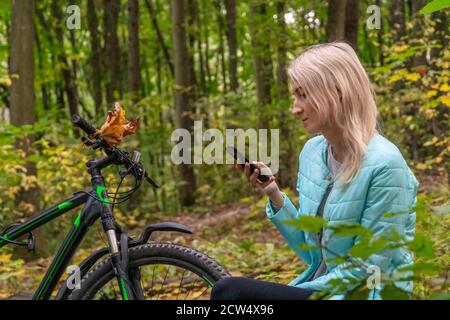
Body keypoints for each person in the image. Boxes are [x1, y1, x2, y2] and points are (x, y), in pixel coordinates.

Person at [211, 41, 419, 300]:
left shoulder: (386, 165)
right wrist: (274, 193)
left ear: (338, 92)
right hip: (325, 289)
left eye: (303, 95)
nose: (295, 108)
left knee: (230, 292)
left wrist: (289, 293)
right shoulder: (312, 153)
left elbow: (367, 268)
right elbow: (311, 251)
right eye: (294, 96)